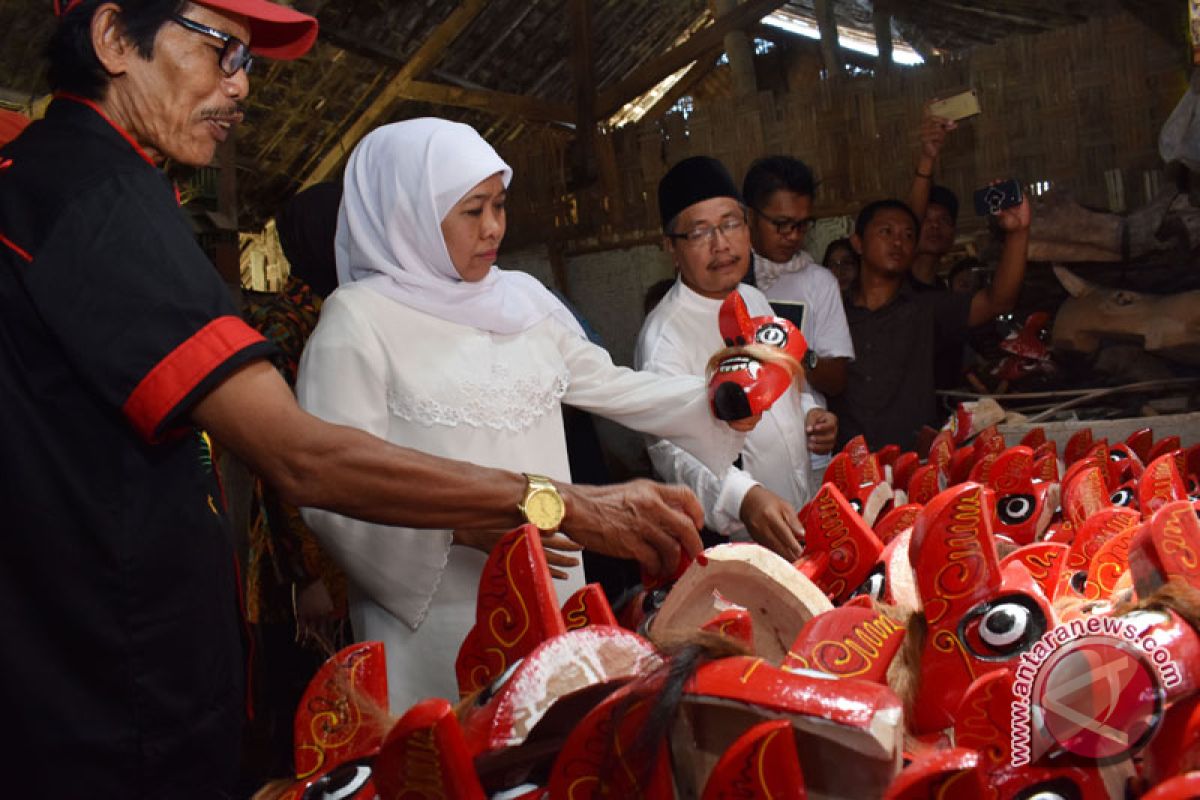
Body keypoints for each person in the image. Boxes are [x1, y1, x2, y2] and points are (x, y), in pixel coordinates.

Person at [0, 2, 711, 794]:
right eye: (221, 51)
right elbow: (302, 458)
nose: (240, 88)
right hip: (105, 688)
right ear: (112, 38)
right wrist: (558, 505)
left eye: (248, 63)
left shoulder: (49, 178)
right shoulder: (99, 196)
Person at [295, 119, 752, 713]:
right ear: (408, 212)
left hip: (549, 576)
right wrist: (462, 524)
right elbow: (333, 492)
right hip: (437, 606)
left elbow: (609, 384)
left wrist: (717, 401)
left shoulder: (521, 298)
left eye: (500, 205)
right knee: (457, 744)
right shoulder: (356, 323)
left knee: (548, 732)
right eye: (472, 210)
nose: (494, 228)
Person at [636, 156, 838, 560]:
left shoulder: (752, 298)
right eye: (699, 232)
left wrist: (811, 413)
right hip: (738, 542)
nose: (721, 245)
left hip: (798, 515)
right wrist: (742, 497)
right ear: (671, 248)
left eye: (730, 223)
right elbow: (672, 455)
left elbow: (788, 380)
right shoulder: (664, 339)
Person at [830, 196, 1031, 452]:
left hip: (914, 465)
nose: (898, 241)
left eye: (908, 235)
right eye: (886, 231)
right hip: (842, 467)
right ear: (858, 243)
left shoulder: (927, 308)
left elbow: (998, 300)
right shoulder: (832, 311)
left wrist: (1017, 232)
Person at [742, 155, 854, 484]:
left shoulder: (819, 282)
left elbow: (836, 379)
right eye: (781, 224)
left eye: (803, 225)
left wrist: (788, 347)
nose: (793, 235)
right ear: (749, 215)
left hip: (808, 450)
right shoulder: (727, 281)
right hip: (744, 454)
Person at [908, 103, 961, 290]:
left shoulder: (943, 295)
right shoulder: (892, 285)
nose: (935, 226)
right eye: (926, 218)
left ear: (954, 234)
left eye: (944, 220)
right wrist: (927, 158)